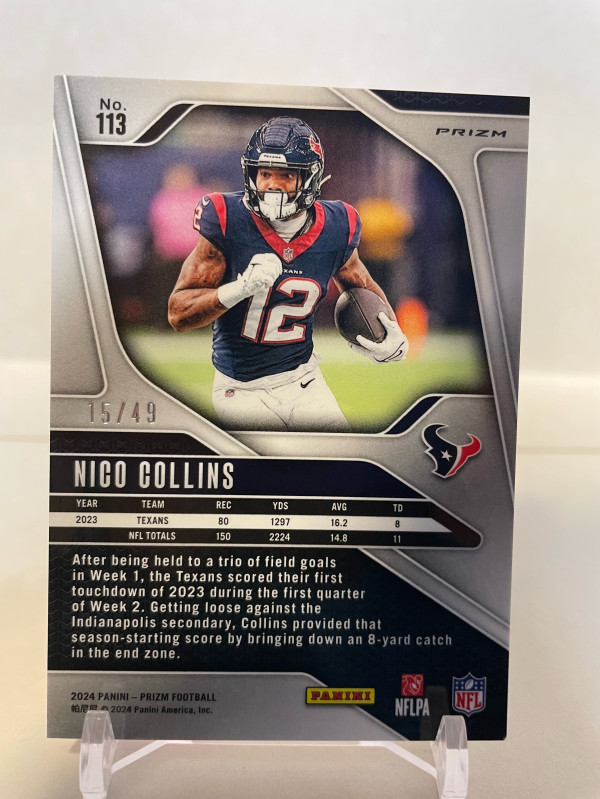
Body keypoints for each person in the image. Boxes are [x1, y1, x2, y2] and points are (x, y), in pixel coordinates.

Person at [168, 117, 408, 432]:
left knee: (342, 458)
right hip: (240, 389)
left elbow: (359, 282)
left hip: (304, 381)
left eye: (285, 175)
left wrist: (391, 331)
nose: (271, 184)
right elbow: (178, 314)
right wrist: (238, 289)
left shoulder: (338, 224)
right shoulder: (227, 218)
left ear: (310, 177)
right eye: (264, 173)